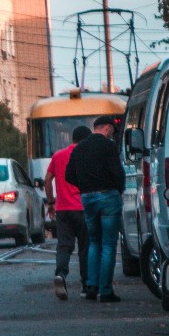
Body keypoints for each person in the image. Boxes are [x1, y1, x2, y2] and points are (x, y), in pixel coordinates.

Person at [65, 115, 127, 303]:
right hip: (108, 196)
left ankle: (91, 286)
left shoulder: (79, 148)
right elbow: (118, 172)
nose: (111, 135)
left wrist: (85, 187)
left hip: (87, 198)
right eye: (111, 131)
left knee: (94, 242)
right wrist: (118, 189)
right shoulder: (109, 146)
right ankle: (106, 290)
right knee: (108, 244)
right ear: (107, 128)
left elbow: (69, 175)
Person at [44, 125, 91, 300]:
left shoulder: (58, 155)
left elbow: (47, 179)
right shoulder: (87, 155)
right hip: (83, 208)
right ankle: (86, 286)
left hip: (62, 209)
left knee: (64, 245)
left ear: (73, 139)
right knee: (85, 247)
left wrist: (51, 202)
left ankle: (61, 275)